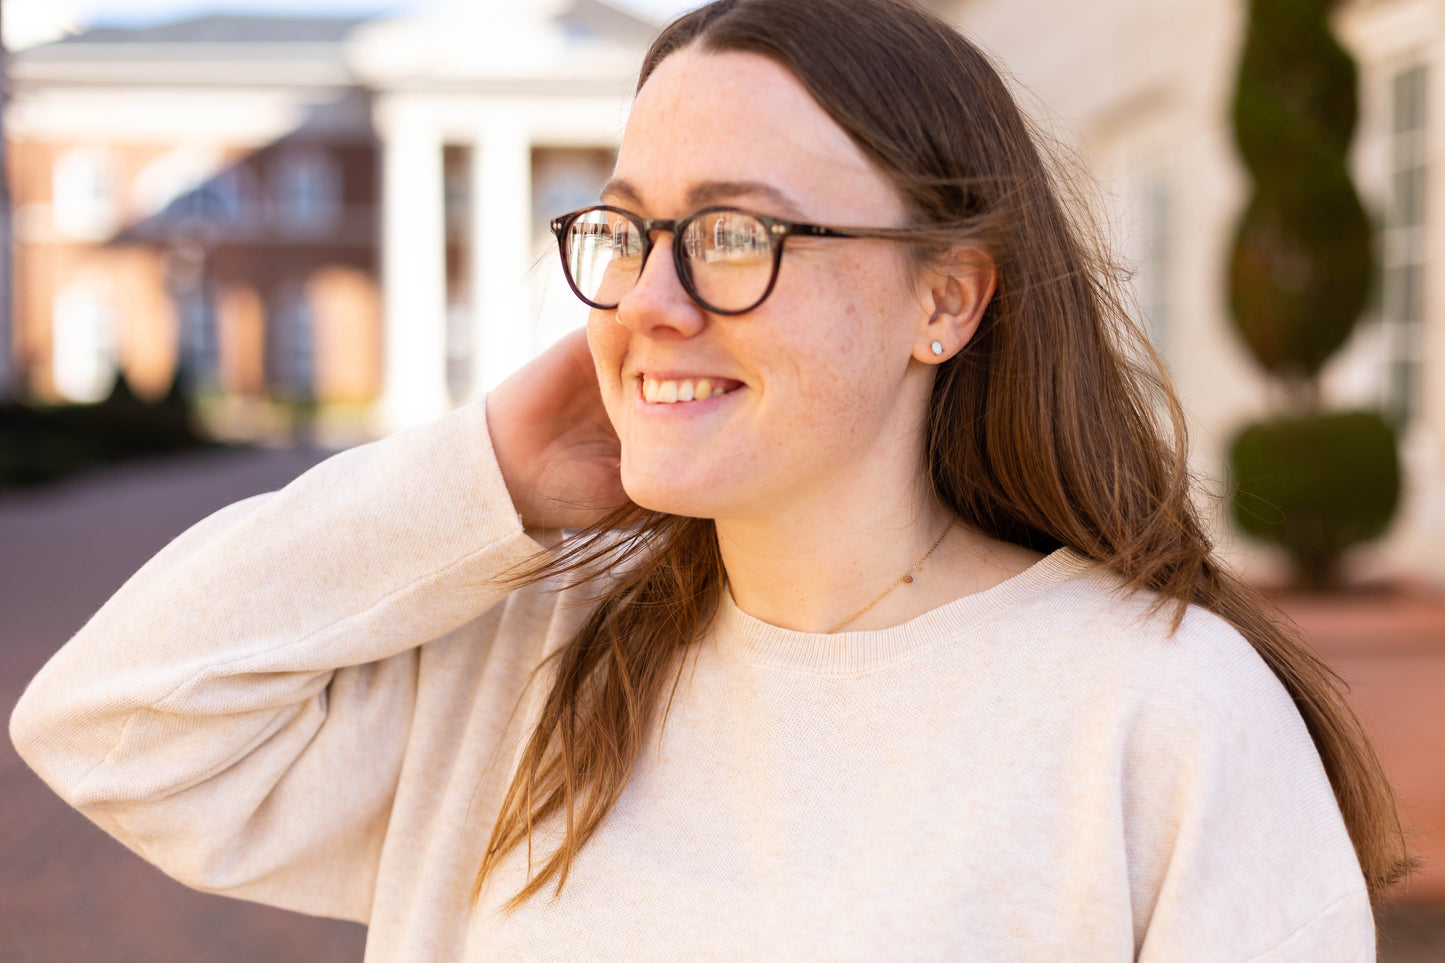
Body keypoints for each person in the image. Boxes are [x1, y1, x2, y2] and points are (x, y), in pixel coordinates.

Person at [10, 0, 1413, 959]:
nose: (652, 302)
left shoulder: (1160, 715)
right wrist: (479, 477)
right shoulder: (531, 668)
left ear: (947, 302)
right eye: (628, 231)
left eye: (735, 234)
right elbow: (113, 724)